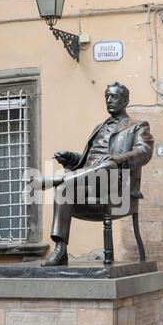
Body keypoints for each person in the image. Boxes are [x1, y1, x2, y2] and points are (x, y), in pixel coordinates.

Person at [39, 82, 154, 266]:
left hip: (115, 186)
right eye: (107, 96)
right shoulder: (98, 128)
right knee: (63, 190)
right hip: (89, 183)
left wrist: (117, 158)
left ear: (125, 101)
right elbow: (86, 162)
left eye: (114, 96)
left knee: (107, 164)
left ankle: (57, 179)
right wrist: (71, 157)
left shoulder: (137, 126)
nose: (109, 100)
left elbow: (144, 152)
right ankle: (61, 250)